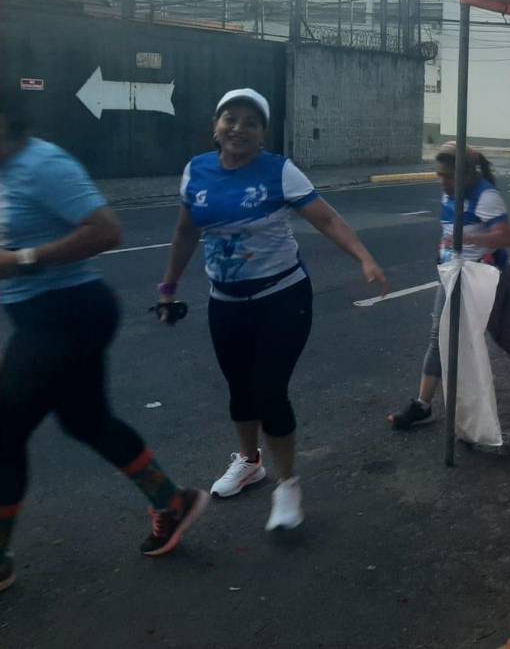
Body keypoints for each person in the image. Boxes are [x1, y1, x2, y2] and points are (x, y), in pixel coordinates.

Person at [0, 94, 206, 592]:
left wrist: (24, 260)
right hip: (43, 316)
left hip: (68, 313)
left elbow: (107, 230)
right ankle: (171, 501)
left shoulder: (44, 165)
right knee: (87, 422)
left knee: (4, 430)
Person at [157, 88, 386, 532]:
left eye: (251, 122)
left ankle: (287, 484)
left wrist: (364, 256)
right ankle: (249, 463)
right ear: (216, 126)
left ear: (263, 134)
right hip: (226, 302)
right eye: (231, 119)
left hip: (282, 298)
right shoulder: (196, 171)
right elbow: (186, 233)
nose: (239, 128)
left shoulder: (278, 171)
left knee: (269, 391)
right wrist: (168, 287)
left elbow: (327, 219)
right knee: (240, 390)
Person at [389, 144, 510, 429]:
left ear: (465, 175)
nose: (442, 181)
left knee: (501, 334)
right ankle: (422, 404)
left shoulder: (486, 196)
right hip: (454, 275)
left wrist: (469, 241)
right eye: (439, 175)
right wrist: (444, 253)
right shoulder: (450, 193)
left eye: (447, 176)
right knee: (438, 337)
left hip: (490, 277)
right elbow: (448, 231)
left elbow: (506, 236)